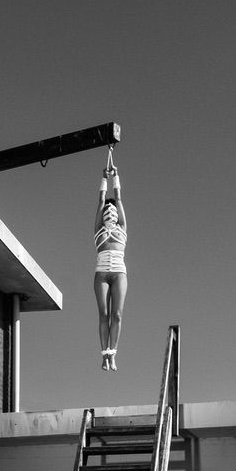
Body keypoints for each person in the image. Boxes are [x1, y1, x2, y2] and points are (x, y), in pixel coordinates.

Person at [93, 155, 127, 371]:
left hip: (119, 272)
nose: (110, 212)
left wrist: (116, 178)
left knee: (117, 314)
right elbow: (101, 201)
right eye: (108, 210)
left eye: (112, 211)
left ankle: (112, 354)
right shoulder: (98, 229)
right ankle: (103, 356)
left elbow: (119, 200)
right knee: (104, 314)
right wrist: (104, 179)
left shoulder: (122, 228)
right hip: (102, 272)